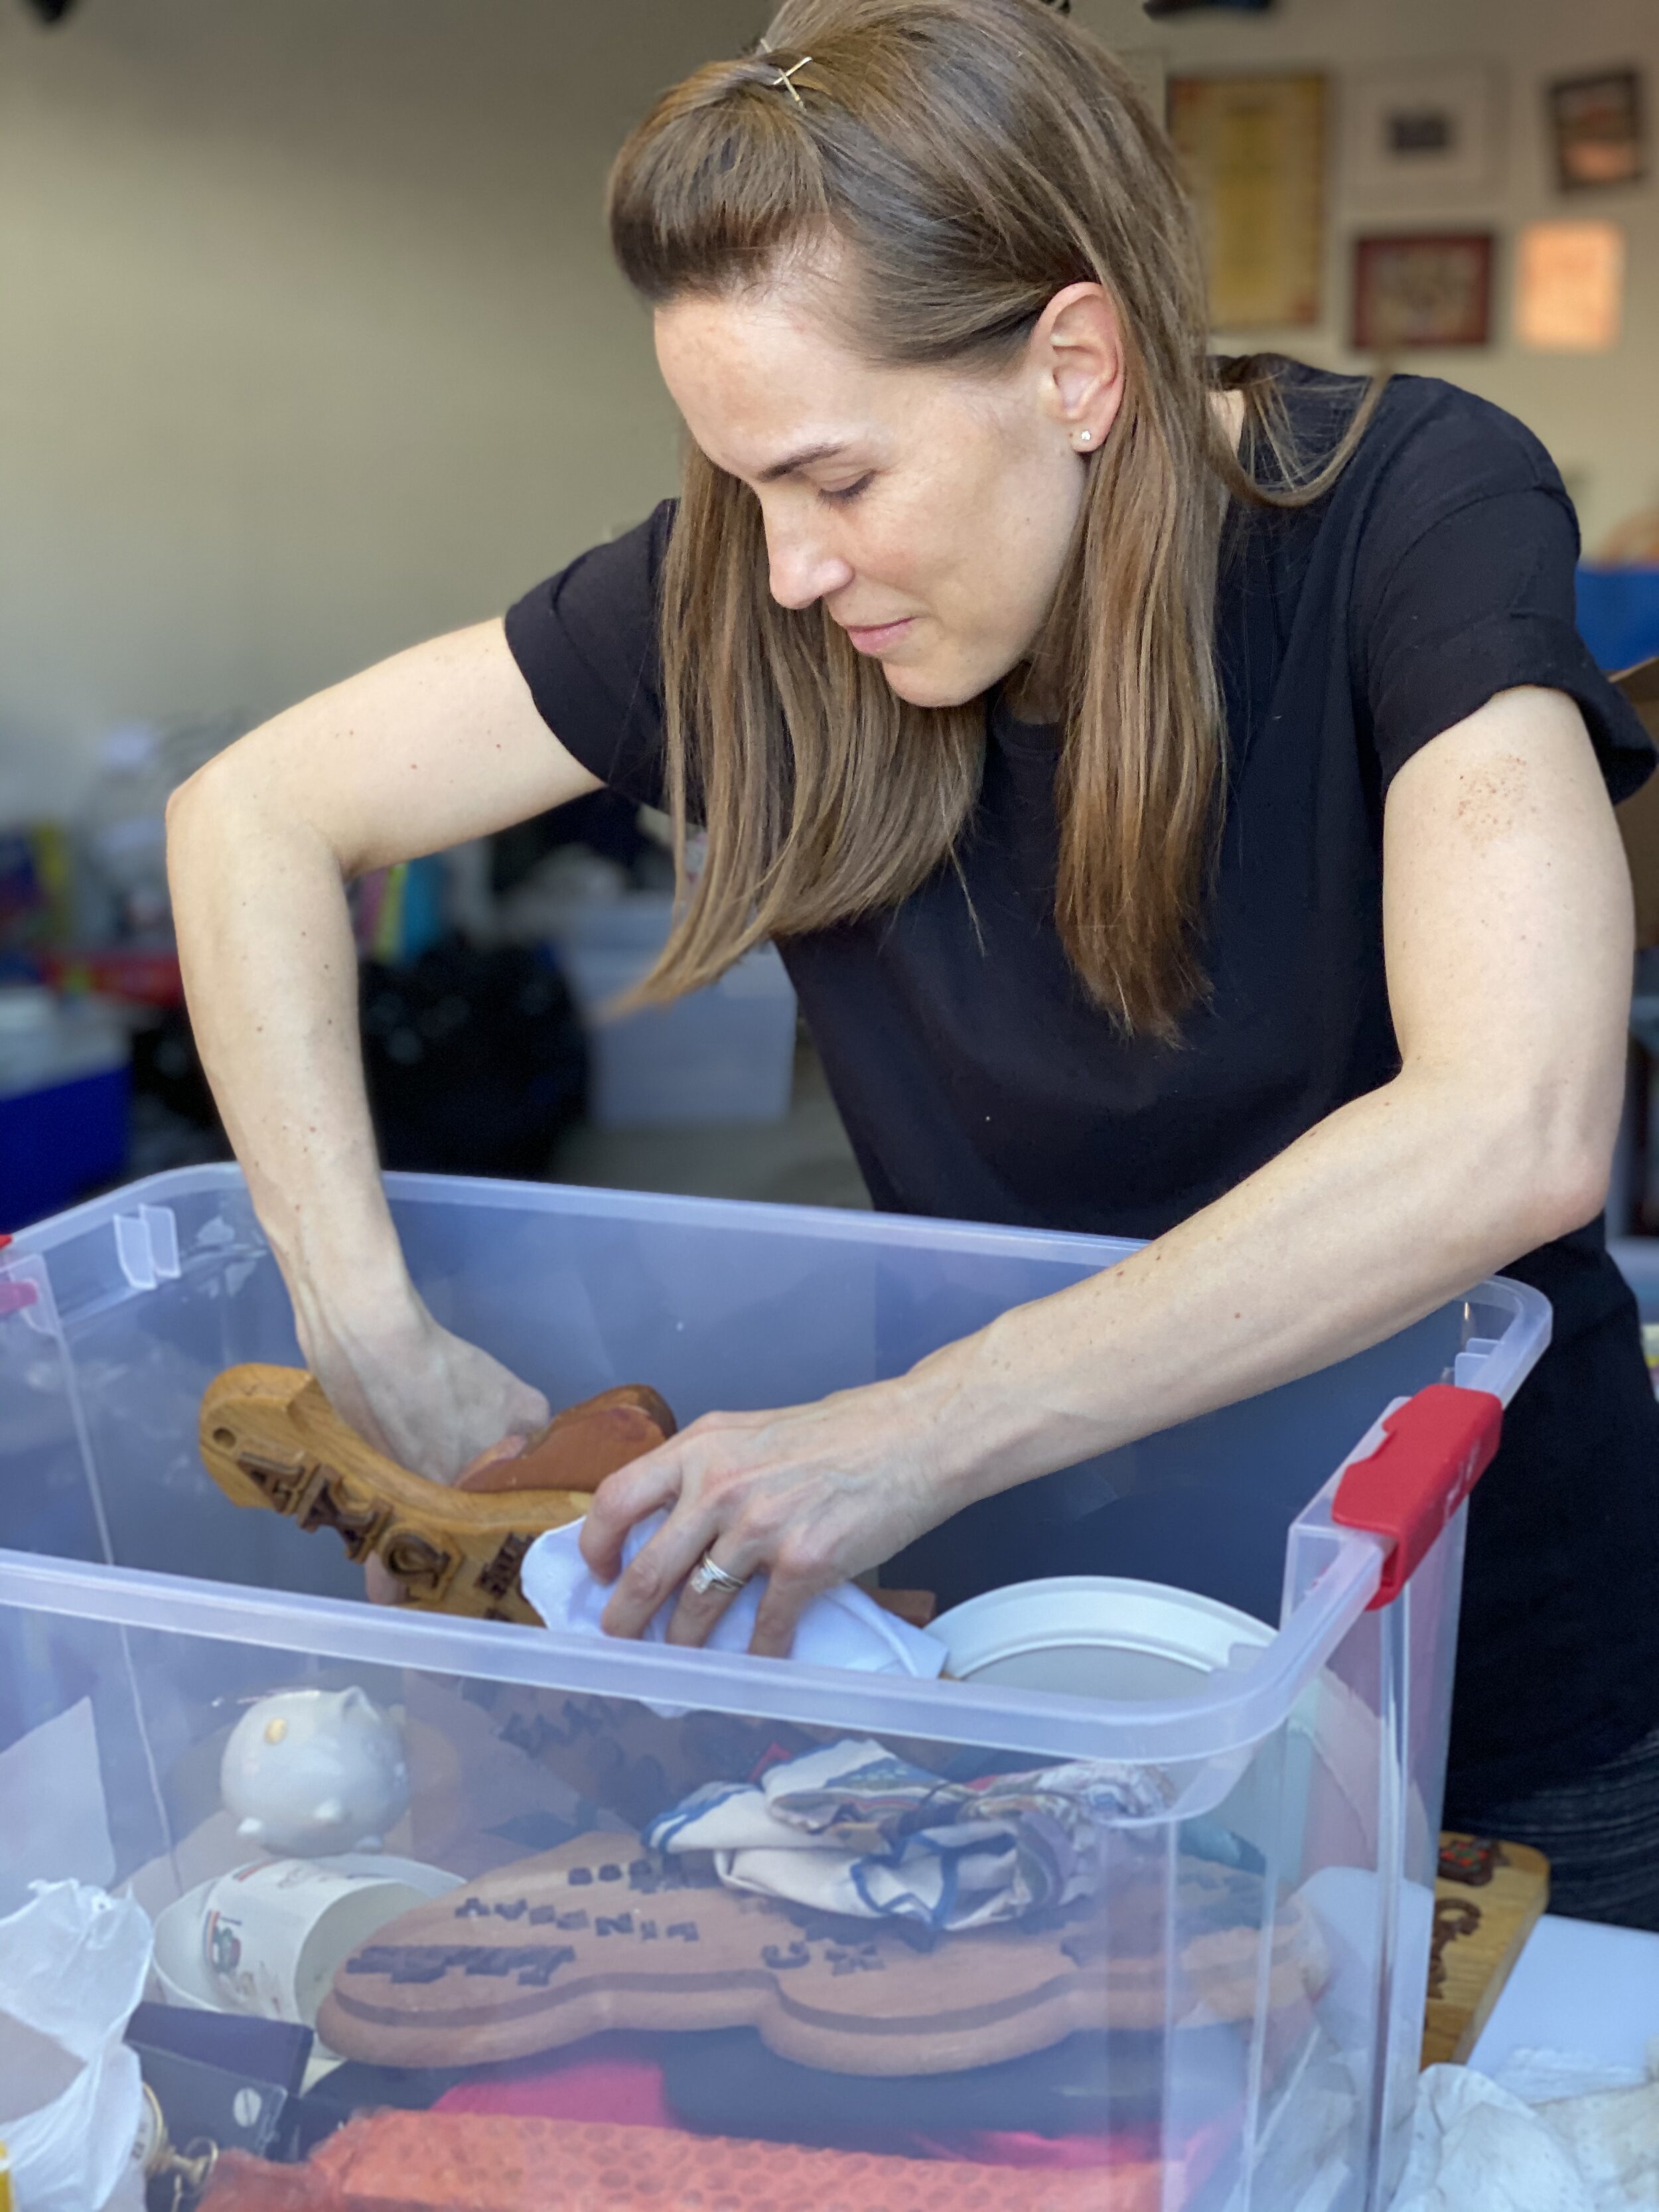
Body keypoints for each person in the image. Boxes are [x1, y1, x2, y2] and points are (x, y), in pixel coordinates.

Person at [167, 0, 1659, 1928]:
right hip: (1004, 1668)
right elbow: (248, 818)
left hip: (1473, 1661)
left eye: (835, 480)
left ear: (1071, 364)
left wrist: (911, 1431)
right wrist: (371, 1336)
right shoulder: (748, 588)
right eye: (740, 487)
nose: (783, 569)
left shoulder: (1412, 511)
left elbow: (1515, 1125)